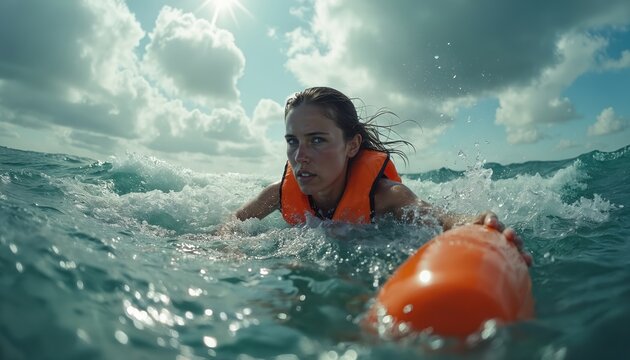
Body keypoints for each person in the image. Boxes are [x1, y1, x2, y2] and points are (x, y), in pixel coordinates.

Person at [231, 86, 532, 265]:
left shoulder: (387, 196)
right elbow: (230, 229)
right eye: (292, 141)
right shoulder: (277, 193)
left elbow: (441, 218)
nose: (300, 156)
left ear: (352, 145)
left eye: (317, 140)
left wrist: (476, 224)